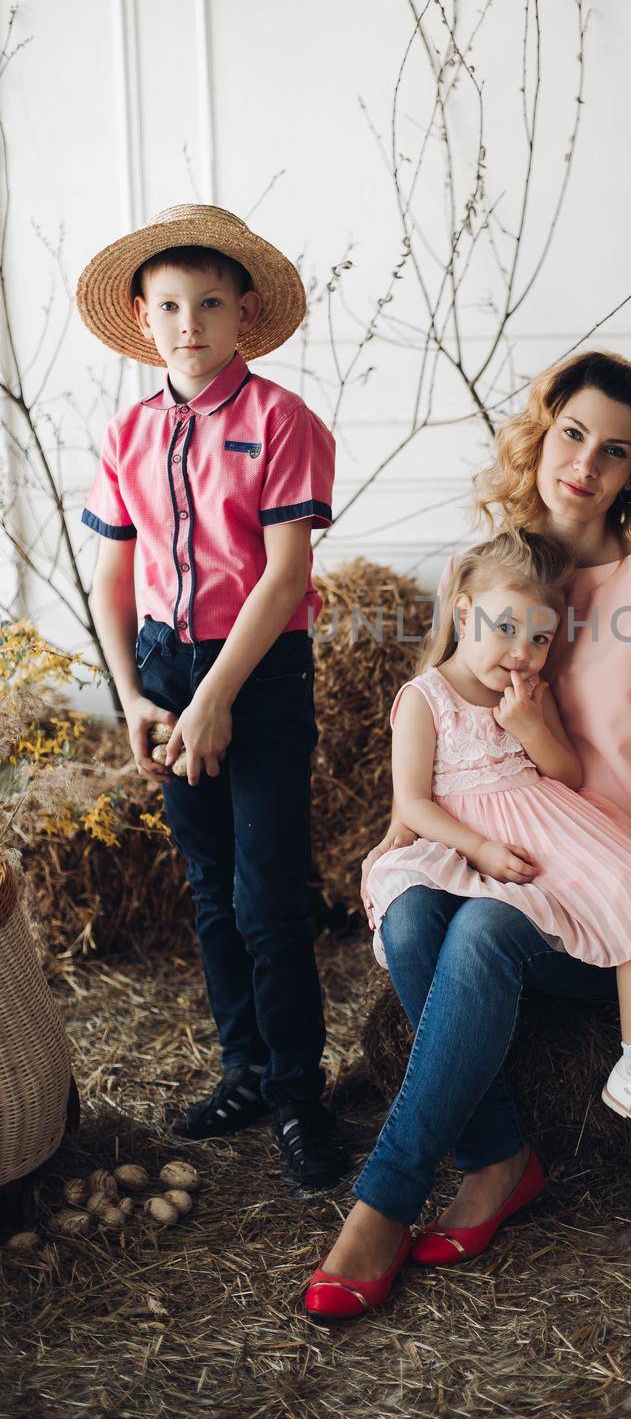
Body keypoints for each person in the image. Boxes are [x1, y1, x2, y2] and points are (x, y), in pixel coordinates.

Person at [305, 349, 631, 1323]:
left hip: (609, 899)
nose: (585, 465)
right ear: (541, 430)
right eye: (571, 434)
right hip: (511, 850)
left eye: (614, 451)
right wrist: (405, 832)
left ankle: (381, 1204)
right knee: (407, 922)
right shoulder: (489, 566)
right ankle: (498, 1158)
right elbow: (442, 723)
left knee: (479, 932)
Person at [78, 203, 347, 1190]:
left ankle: (296, 1090)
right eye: (169, 305)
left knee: (266, 891)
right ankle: (241, 1068)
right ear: (144, 319)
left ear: (245, 313)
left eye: (209, 303)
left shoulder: (281, 423)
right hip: (161, 665)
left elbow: (281, 579)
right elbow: (113, 577)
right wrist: (136, 700)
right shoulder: (128, 432)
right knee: (207, 886)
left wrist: (216, 697)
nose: (188, 321)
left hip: (259, 670)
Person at [363, 526, 631, 1152]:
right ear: (465, 613)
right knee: (427, 920)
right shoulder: (424, 700)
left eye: (539, 638)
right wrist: (480, 850)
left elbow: (566, 774)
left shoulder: (529, 692)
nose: (521, 651)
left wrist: (530, 721)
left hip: (543, 825)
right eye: (505, 629)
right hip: (470, 844)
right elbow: (414, 800)